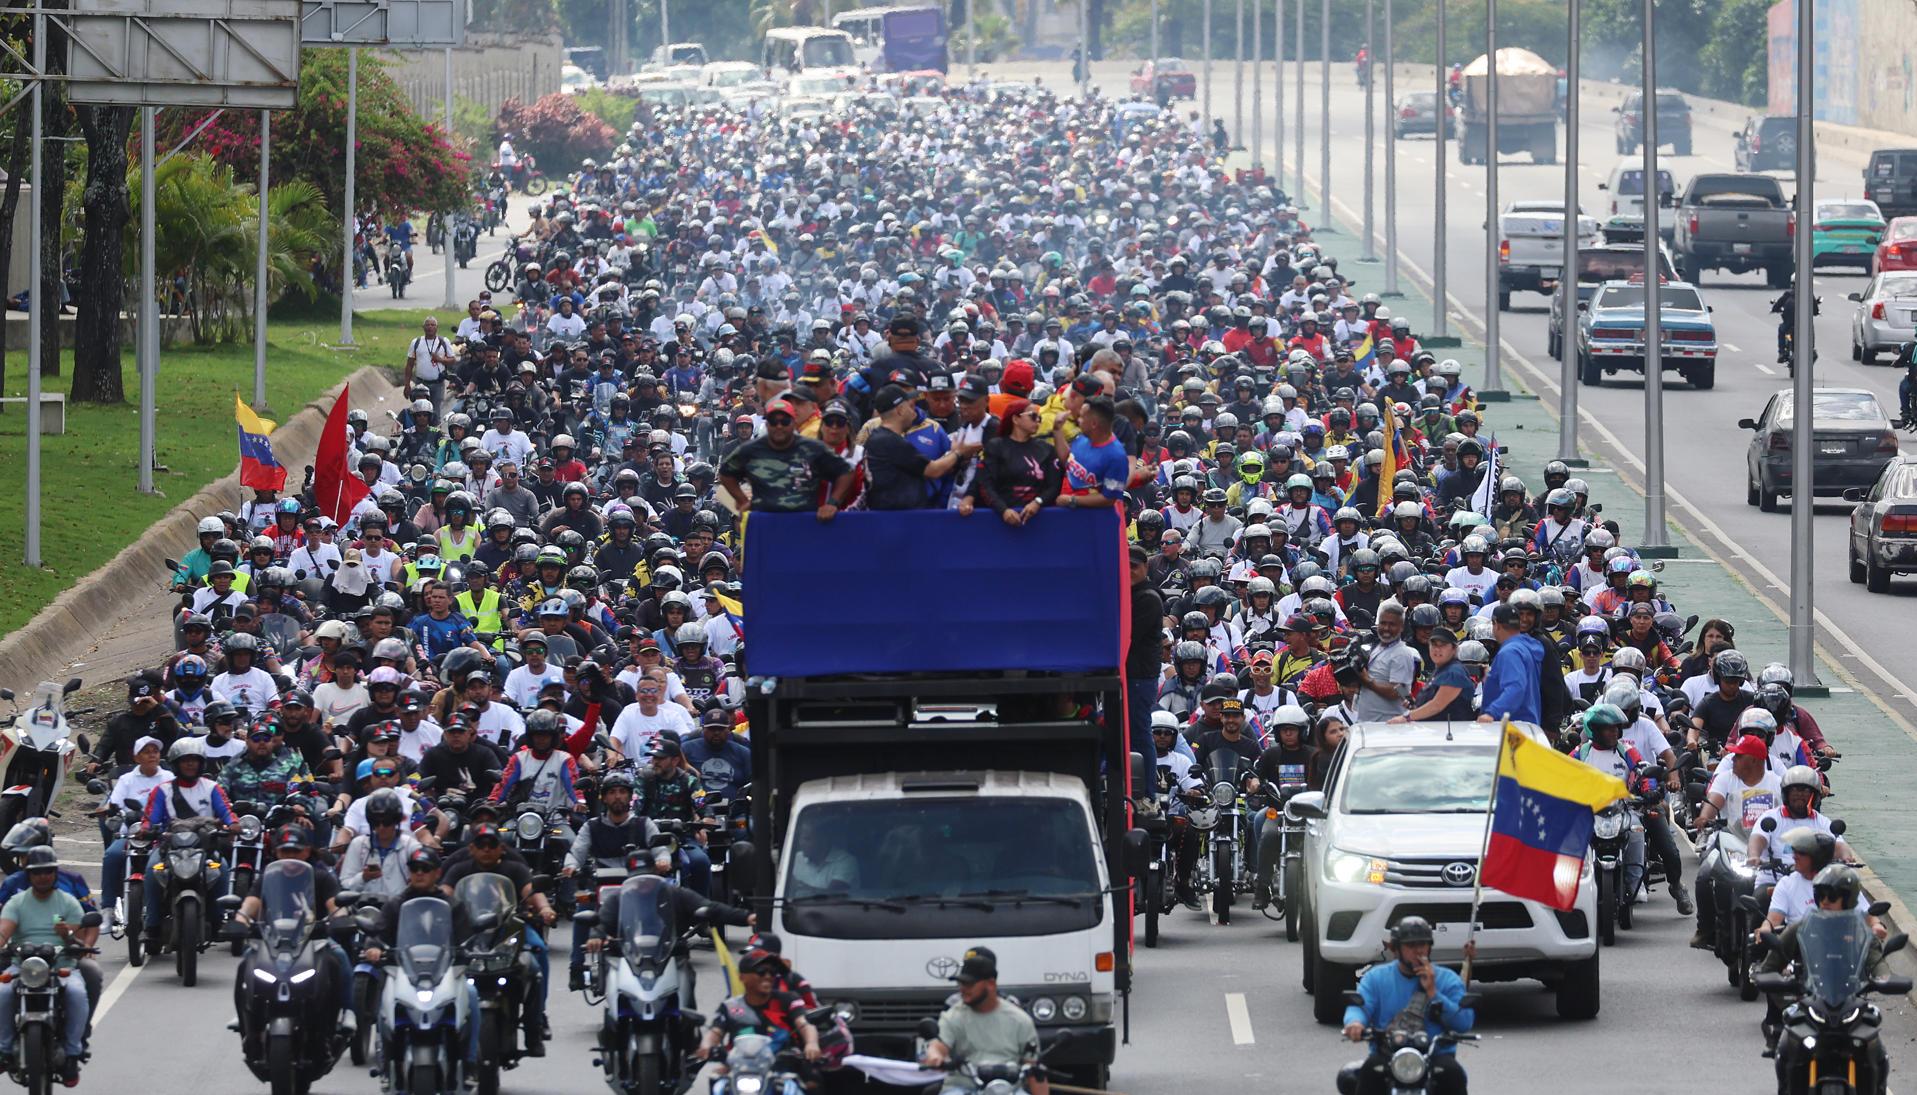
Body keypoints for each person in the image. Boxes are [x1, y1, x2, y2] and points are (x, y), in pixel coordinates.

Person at [1339, 917, 1474, 1095]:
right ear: (1396, 949)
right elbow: (1361, 1005)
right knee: (1371, 1071)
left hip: (1435, 1055)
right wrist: (1355, 1023)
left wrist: (1434, 992)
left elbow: (1464, 1022)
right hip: (1387, 1053)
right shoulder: (1376, 978)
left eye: (1423, 945)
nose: (1418, 951)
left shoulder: (1447, 979)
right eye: (1411, 946)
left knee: (1452, 1074)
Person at [0, 848, 90, 1083]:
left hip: (62, 965)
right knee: (3, 992)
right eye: (37, 872)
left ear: (54, 873)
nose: (43, 876)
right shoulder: (17, 902)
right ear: (29, 875)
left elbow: (80, 938)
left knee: (77, 993)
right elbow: (4, 931)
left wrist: (68, 935)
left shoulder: (68, 902)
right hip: (24, 966)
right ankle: (4, 1048)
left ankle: (72, 1054)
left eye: (48, 871)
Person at [920, 946, 1048, 1095]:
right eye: (961, 983)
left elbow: (1034, 1069)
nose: (963, 989)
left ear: (991, 984)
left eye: (969, 984)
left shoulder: (1020, 1020)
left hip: (1009, 1089)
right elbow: (939, 1045)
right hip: (963, 1087)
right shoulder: (952, 1016)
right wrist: (935, 1056)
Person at [717, 397, 854, 519]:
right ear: (766, 423)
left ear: (793, 423)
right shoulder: (751, 449)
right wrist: (742, 501)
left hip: (804, 522)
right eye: (773, 421)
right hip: (764, 521)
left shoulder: (812, 448)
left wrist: (832, 503)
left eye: (785, 421)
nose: (779, 426)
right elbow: (725, 474)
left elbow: (846, 472)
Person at [1476, 604, 1542, 725]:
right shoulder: (1524, 647)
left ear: (1496, 624)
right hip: (1527, 726)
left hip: (1513, 730)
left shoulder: (1510, 652)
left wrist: (1491, 713)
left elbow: (1516, 687)